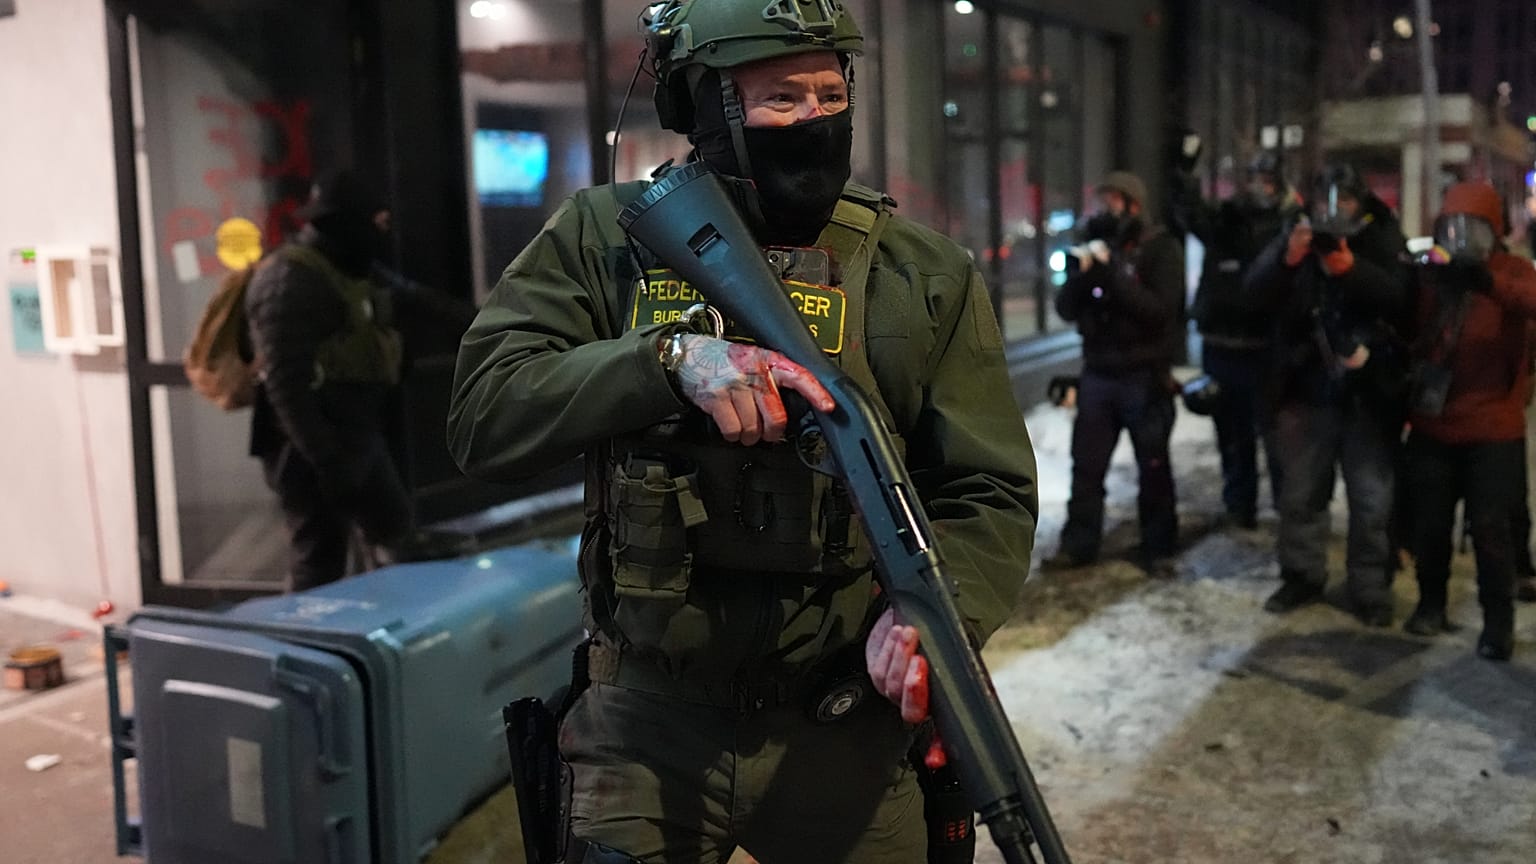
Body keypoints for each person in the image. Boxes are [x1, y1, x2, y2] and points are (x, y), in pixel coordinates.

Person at [446, 1, 1039, 862]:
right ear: (705, 109)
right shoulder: (605, 239)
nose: (814, 120)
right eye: (780, 99)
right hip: (647, 723)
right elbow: (483, 415)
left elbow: (988, 489)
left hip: (842, 718)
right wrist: (665, 361)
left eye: (830, 94)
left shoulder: (921, 272)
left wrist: (933, 619)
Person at [1246, 162, 1410, 625]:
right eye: (1325, 202)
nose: (1335, 211)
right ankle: (1301, 574)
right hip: (1307, 389)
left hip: (1368, 393)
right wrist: (1287, 258)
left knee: (1371, 500)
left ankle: (1370, 586)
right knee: (1300, 494)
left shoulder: (1381, 237)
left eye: (1346, 201)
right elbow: (1253, 293)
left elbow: (1402, 298)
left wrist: (1352, 270)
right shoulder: (1295, 233)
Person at [245, 171, 417, 591]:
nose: (382, 231)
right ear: (347, 221)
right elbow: (285, 385)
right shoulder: (291, 281)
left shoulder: (343, 264)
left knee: (393, 533)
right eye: (377, 221)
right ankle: (304, 635)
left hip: (354, 435)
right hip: (307, 449)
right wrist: (326, 460)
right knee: (318, 563)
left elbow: (416, 298)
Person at [1401, 182, 1536, 660]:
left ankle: (1497, 623)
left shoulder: (1512, 271)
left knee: (1492, 532)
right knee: (1431, 525)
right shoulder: (1433, 273)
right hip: (1434, 424)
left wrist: (1487, 283)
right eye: (1452, 227)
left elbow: (1529, 300)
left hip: (1493, 430)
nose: (1461, 238)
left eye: (1473, 228)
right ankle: (1431, 603)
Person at [1045, 171, 1186, 578]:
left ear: (1134, 205)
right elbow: (1066, 308)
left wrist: (1112, 275)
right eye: (1100, 201)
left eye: (1113, 201)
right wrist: (1086, 272)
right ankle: (1078, 543)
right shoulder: (1094, 246)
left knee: (1153, 467)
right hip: (1099, 373)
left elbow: (1158, 311)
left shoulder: (1160, 248)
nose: (1103, 210)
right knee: (1086, 467)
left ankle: (1159, 547)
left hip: (1144, 375)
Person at [1174, 150, 1300, 529]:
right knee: (1232, 434)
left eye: (1267, 180)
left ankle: (1288, 511)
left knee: (1277, 437)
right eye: (1253, 179)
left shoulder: (1289, 224)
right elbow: (1192, 215)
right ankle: (1239, 506)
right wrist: (1185, 175)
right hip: (1223, 343)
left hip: (1267, 348)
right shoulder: (1227, 219)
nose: (1259, 187)